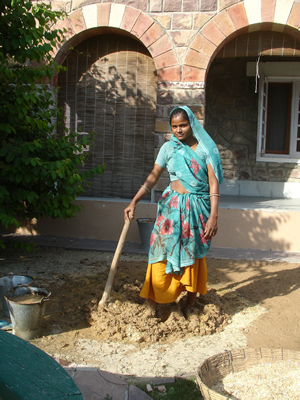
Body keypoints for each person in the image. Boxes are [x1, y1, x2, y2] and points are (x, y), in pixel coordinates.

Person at [124, 106, 223, 316]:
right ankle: (152, 303)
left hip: (197, 211)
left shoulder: (205, 148)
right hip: (170, 210)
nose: (178, 130)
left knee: (193, 254)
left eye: (183, 125)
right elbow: (153, 176)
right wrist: (134, 201)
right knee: (159, 251)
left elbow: (213, 184)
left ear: (192, 124)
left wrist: (213, 216)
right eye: (174, 126)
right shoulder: (168, 148)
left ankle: (189, 305)